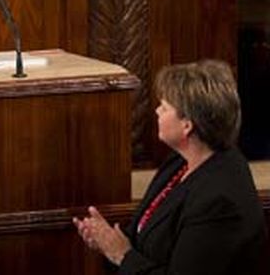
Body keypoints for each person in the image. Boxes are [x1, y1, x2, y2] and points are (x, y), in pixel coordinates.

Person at [74, 60, 267, 273]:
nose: (157, 111)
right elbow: (144, 235)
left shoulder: (219, 201)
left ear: (187, 125)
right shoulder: (180, 161)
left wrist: (121, 255)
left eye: (164, 107)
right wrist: (106, 241)